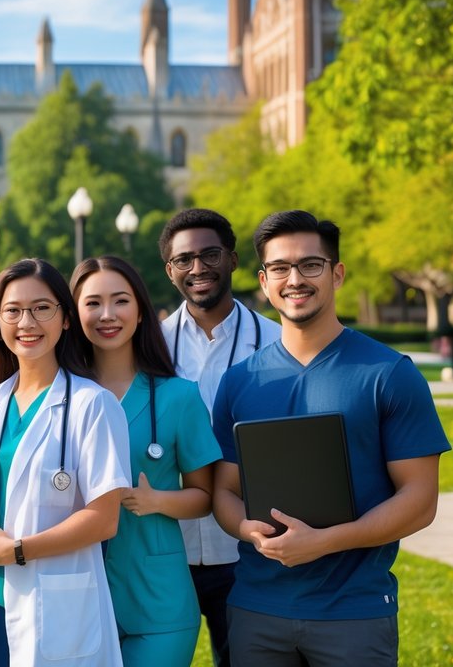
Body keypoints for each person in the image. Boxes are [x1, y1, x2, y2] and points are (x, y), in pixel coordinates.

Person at [212, 210, 450, 666]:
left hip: (354, 613)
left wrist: (327, 541)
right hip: (257, 611)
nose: (294, 279)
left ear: (336, 274)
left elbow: (420, 499)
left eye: (310, 265)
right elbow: (224, 489)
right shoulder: (239, 382)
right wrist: (246, 529)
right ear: (263, 281)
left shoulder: (389, 374)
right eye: (280, 268)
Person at [0, 258, 130, 667]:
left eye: (41, 308)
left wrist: (15, 550)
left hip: (57, 611)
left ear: (66, 319)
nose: (26, 322)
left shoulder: (93, 405)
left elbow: (105, 519)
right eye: (12, 311)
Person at [71, 256, 220, 666]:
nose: (107, 315)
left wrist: (157, 500)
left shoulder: (179, 397)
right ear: (73, 314)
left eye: (120, 301)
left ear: (140, 312)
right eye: (92, 303)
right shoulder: (60, 398)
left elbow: (205, 496)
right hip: (74, 596)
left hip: (159, 601)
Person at [158, 208, 280, 666]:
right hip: (166, 550)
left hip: (250, 548)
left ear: (232, 259)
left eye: (209, 254)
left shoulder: (277, 342)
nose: (197, 268)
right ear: (169, 271)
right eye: (183, 259)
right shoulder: (147, 346)